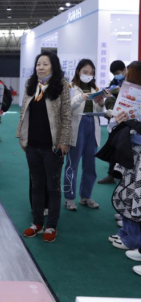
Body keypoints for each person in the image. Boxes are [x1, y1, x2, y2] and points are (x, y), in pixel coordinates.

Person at [17, 51, 71, 243]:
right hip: (32, 145)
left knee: (53, 188)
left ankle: (51, 226)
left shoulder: (61, 86)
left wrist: (64, 141)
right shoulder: (31, 85)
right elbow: (23, 112)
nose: (40, 67)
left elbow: (66, 116)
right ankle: (37, 223)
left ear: (53, 66)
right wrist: (21, 136)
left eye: (45, 64)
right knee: (36, 186)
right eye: (38, 64)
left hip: (53, 146)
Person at [103, 61, 141, 252]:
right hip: (129, 150)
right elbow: (115, 123)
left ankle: (133, 240)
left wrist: (131, 123)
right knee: (126, 192)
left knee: (135, 196)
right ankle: (126, 233)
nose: (125, 77)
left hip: (137, 152)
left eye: (128, 74)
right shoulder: (127, 93)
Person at [63, 59, 105, 211]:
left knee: (90, 165)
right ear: (78, 71)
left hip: (92, 125)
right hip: (77, 126)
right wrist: (81, 97)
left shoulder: (95, 88)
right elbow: (67, 108)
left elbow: (99, 112)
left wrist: (101, 103)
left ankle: (86, 196)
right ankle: (69, 198)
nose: (88, 75)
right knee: (72, 164)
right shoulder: (70, 87)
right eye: (85, 72)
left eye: (91, 73)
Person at [99, 60, 128, 185]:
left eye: (118, 73)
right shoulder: (113, 83)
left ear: (125, 69)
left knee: (125, 149)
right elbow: (110, 99)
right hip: (115, 120)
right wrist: (108, 95)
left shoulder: (131, 81)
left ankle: (124, 177)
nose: (116, 75)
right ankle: (111, 175)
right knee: (112, 145)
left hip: (128, 120)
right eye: (114, 74)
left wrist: (121, 91)